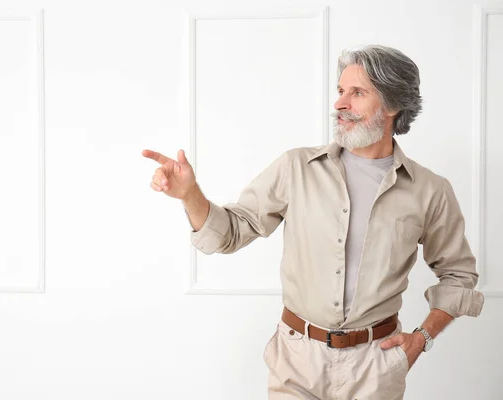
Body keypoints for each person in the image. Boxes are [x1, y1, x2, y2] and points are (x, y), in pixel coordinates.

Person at [142, 45, 484, 399]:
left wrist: (421, 338)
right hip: (296, 361)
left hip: (377, 365)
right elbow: (229, 233)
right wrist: (189, 193)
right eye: (340, 91)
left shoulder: (430, 191)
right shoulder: (295, 168)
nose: (339, 103)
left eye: (357, 92)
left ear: (392, 105)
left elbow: (459, 275)